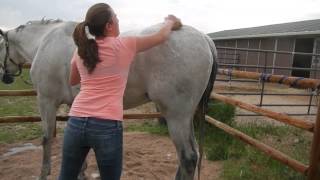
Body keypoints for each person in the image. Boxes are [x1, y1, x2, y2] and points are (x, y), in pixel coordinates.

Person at [58, 3, 182, 180]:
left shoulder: (81, 50)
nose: (118, 20)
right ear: (109, 25)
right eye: (116, 17)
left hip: (76, 122)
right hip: (107, 125)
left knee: (66, 176)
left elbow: (73, 80)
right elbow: (161, 37)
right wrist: (170, 22)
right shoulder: (126, 44)